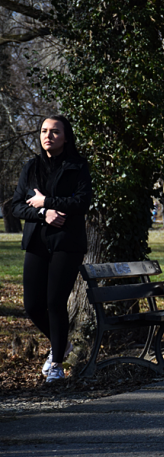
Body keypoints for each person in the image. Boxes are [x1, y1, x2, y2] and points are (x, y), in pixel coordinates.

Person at [11, 115, 92, 382]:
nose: (48, 135)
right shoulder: (31, 167)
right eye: (45, 131)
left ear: (66, 137)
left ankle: (57, 362)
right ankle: (62, 344)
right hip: (36, 241)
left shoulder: (78, 167)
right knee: (33, 306)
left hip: (66, 243)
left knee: (55, 302)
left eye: (55, 132)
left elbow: (81, 203)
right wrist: (43, 211)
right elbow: (16, 206)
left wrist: (46, 200)